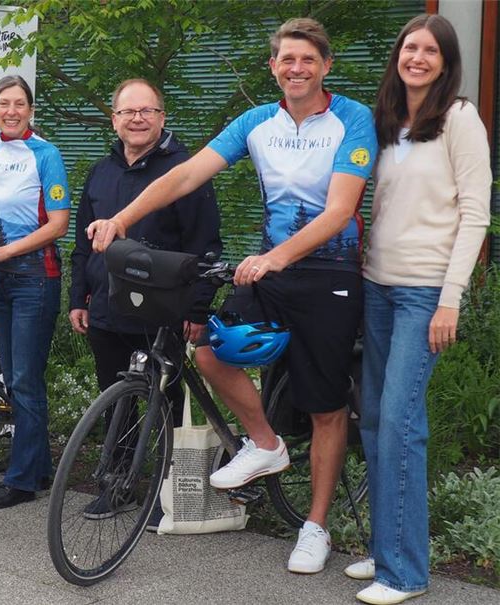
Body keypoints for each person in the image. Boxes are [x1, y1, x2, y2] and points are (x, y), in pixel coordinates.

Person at [89, 18, 378, 574]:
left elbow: (341, 210)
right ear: (273, 67)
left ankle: (315, 527)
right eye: (287, 59)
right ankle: (265, 443)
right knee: (210, 350)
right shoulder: (256, 122)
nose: (297, 68)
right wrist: (121, 218)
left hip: (330, 274)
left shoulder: (353, 118)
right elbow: (186, 176)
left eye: (308, 59)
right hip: (272, 270)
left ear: (326, 66)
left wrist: (276, 257)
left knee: (324, 406)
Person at [347, 15, 492, 605]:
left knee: (399, 425)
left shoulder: (460, 119)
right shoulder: (386, 122)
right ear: (398, 55)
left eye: (431, 50)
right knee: (374, 421)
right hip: (377, 286)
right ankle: (388, 548)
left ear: (446, 62)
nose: (418, 57)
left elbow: (476, 212)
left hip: (425, 292)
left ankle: (404, 573)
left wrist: (451, 298)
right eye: (410, 47)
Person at [69, 78, 222, 530]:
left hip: (162, 311)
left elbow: (205, 245)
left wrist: (197, 310)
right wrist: (78, 298)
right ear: (114, 120)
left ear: (161, 117)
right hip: (106, 309)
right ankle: (117, 485)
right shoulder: (100, 173)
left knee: (166, 404)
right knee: (115, 401)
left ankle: (165, 492)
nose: (137, 119)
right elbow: (82, 244)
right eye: (127, 112)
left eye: (146, 111)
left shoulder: (185, 171)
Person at [0, 74, 70, 510]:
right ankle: (38, 468)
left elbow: (58, 225)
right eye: (4, 104)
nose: (11, 111)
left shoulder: (46, 154)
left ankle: (22, 480)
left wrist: (5, 251)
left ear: (30, 110)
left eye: (19, 104)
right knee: (14, 378)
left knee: (26, 380)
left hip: (34, 279)